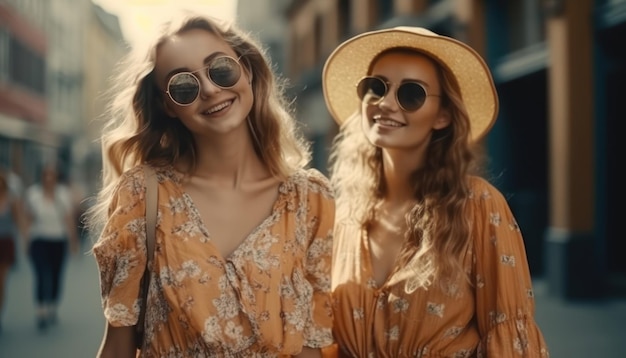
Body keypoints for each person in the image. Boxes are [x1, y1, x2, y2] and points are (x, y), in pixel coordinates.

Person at [86, 12, 335, 358]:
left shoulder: (310, 198)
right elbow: (117, 348)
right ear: (167, 106)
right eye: (183, 86)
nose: (210, 89)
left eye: (220, 69)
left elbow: (313, 345)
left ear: (246, 70)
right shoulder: (141, 196)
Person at [322, 27, 549, 357]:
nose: (385, 103)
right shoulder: (343, 215)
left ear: (443, 116)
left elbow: (509, 336)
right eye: (376, 87)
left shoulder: (478, 205)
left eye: (411, 93)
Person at [23, 163, 79, 330]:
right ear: (41, 177)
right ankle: (41, 311)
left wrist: (73, 241)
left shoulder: (63, 194)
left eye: (52, 175)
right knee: (40, 274)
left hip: (58, 240)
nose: (49, 179)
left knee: (56, 274)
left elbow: (69, 219)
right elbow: (28, 219)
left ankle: (53, 305)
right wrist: (26, 240)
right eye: (46, 175)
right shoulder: (33, 194)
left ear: (56, 178)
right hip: (39, 239)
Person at [0, 171, 26, 332]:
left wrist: (25, 240)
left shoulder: (11, 200)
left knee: (1, 282)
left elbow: (19, 220)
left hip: (5, 244)